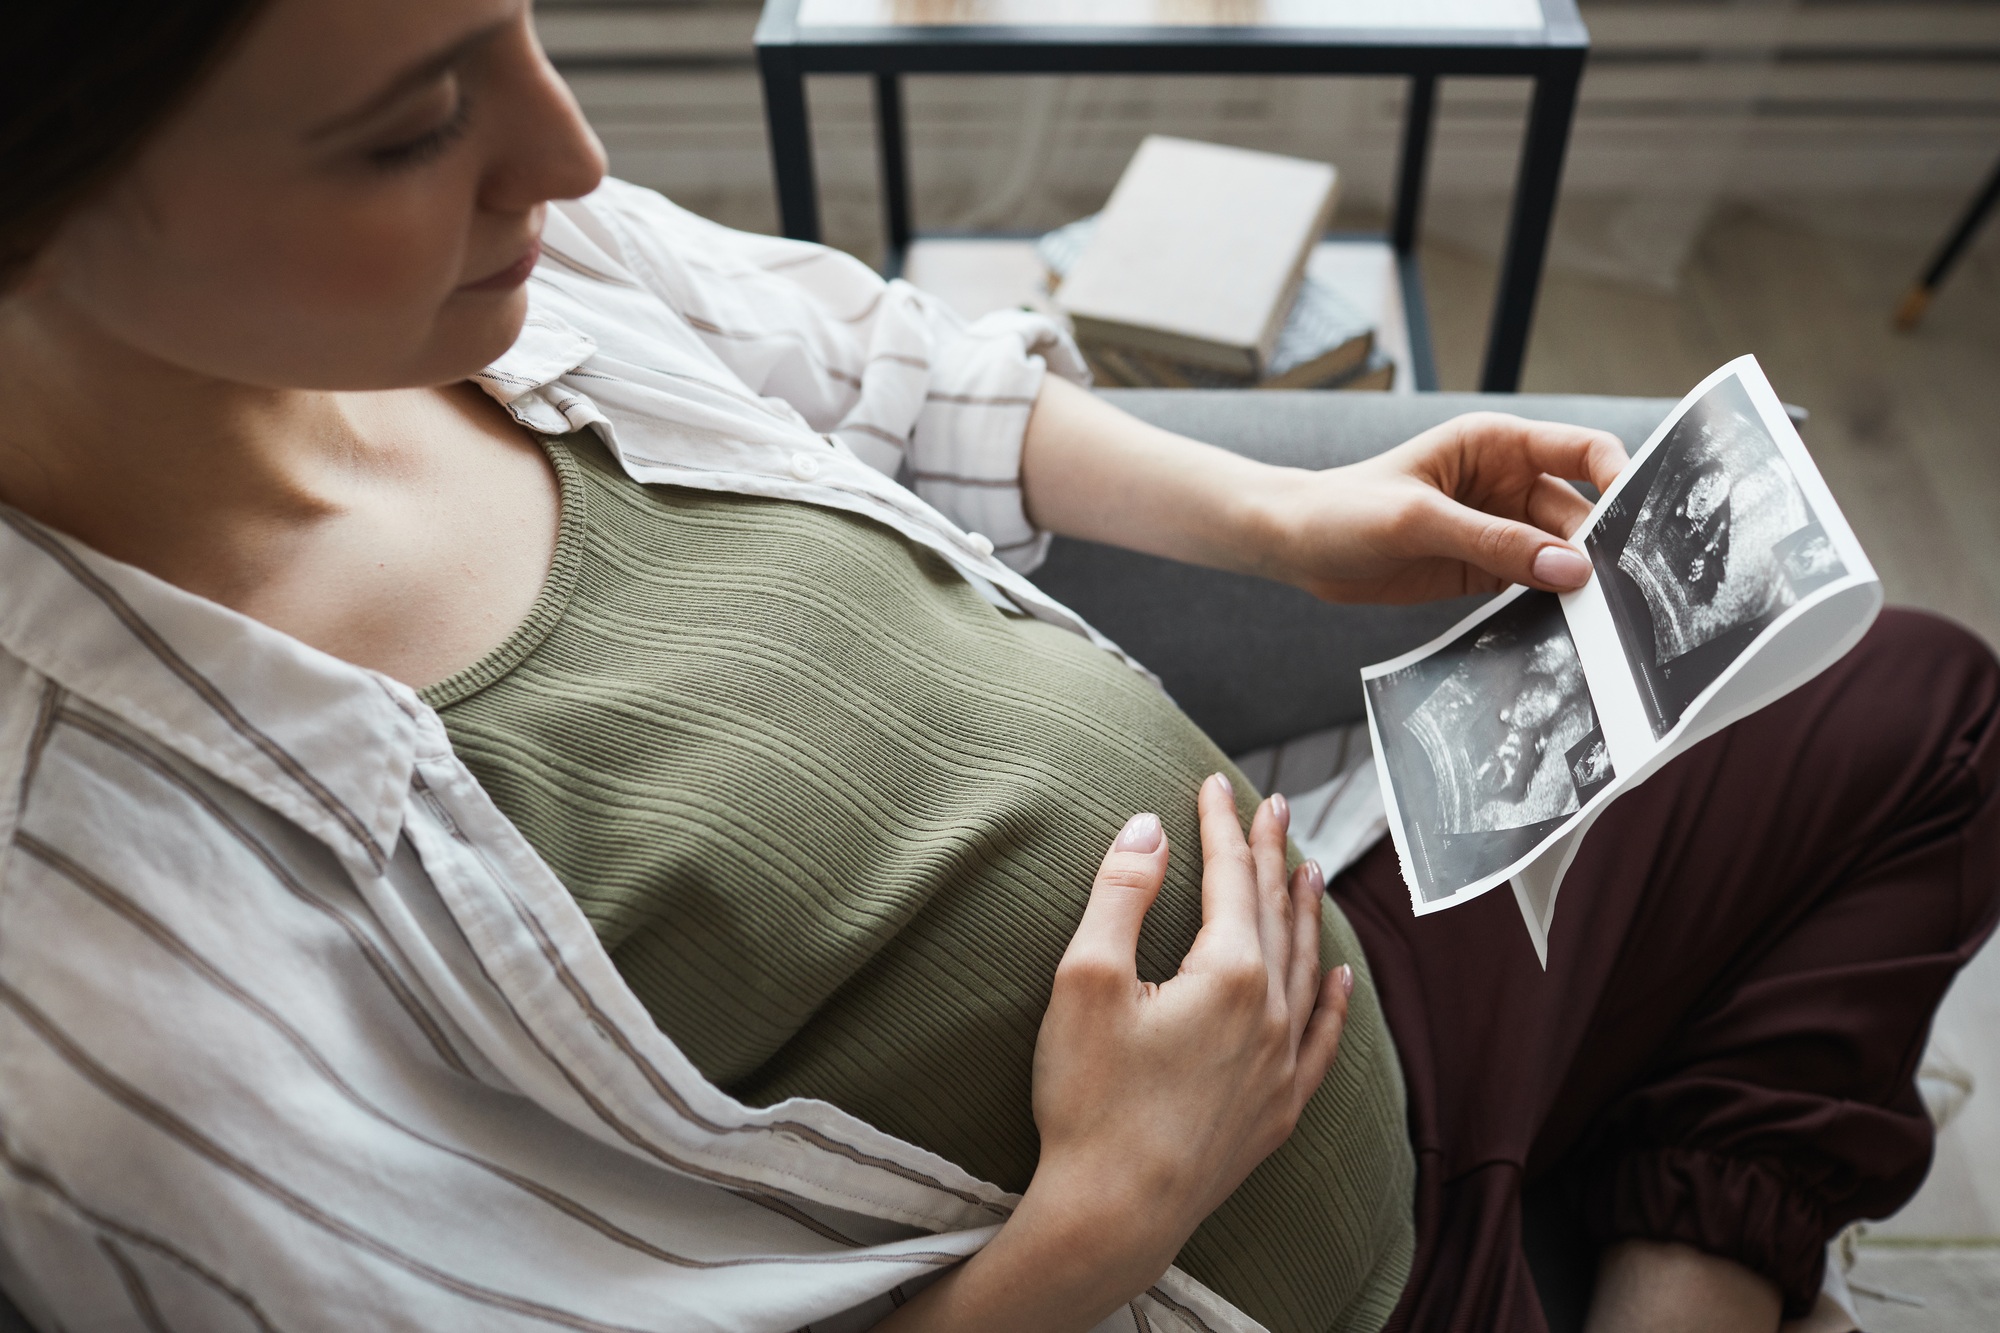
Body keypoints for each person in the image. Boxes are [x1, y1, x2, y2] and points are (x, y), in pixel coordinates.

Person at [1, 2, 1993, 1331]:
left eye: (519, 27)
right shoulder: (92, 981)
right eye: (415, 123)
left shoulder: (504, 285)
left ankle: (1651, 1246)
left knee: (1915, 705)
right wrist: (1104, 1214)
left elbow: (879, 362)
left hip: (1349, 961)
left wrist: (1293, 522)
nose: (568, 150)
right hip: (1213, 1283)